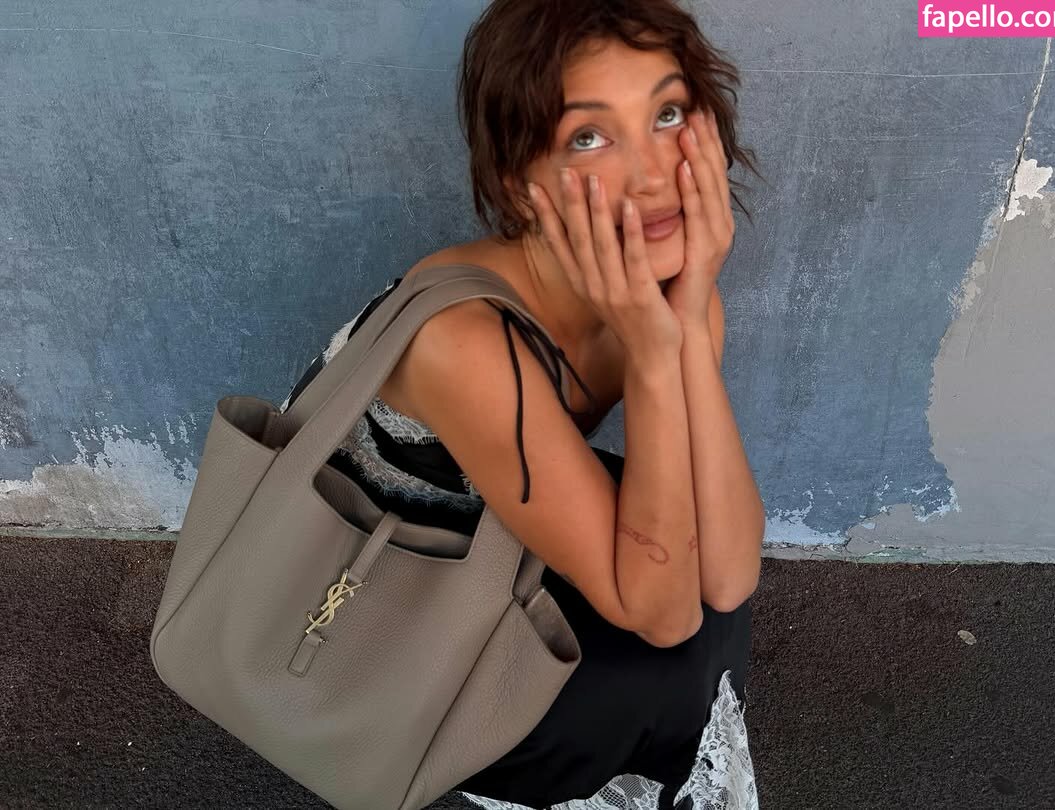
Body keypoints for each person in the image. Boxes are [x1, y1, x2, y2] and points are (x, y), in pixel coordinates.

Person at [280, 1, 767, 807]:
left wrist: (686, 318)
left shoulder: (669, 293)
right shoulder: (465, 343)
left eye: (668, 114)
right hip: (370, 593)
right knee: (657, 666)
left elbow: (730, 573)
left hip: (495, 524)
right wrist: (656, 355)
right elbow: (665, 617)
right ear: (522, 184)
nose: (653, 174)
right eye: (590, 136)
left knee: (704, 615)